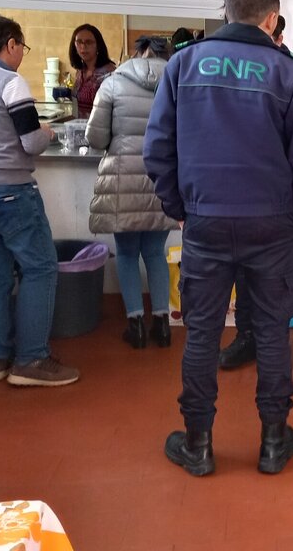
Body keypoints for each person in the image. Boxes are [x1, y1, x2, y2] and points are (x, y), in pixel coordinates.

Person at [145, 0, 293, 477]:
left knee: (203, 333)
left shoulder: (183, 65)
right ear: (272, 19)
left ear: (227, 12)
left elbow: (157, 148)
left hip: (205, 220)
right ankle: (273, 442)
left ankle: (198, 444)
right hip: (272, 225)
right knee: (271, 332)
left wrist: (179, 205)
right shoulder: (290, 74)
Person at [0, 14, 80, 387]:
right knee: (40, 269)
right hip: (11, 192)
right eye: (22, 46)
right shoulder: (10, 82)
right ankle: (31, 360)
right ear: (10, 44)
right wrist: (47, 132)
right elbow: (30, 142)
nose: (22, 53)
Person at [86, 35, 178, 351]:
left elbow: (96, 138)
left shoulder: (113, 83)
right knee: (154, 252)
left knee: (126, 253)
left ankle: (135, 325)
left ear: (137, 53)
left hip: (123, 179)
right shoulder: (178, 85)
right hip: (163, 180)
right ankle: (162, 325)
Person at [217, 13, 289, 372]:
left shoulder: (290, 73)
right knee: (243, 277)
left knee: (272, 284)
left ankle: (271, 343)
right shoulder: (226, 69)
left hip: (274, 202)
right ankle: (247, 338)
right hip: (233, 196)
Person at [69, 24, 116, 118]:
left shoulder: (108, 73)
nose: (83, 46)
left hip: (99, 125)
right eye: (79, 42)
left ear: (98, 45)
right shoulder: (81, 71)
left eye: (89, 42)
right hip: (81, 124)